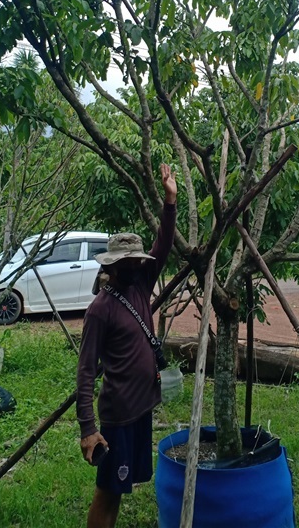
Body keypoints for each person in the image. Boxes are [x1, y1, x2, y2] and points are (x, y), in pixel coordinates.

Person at [77, 163, 177, 528]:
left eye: (138, 260)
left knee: (121, 487)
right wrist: (89, 428)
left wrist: (170, 201)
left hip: (142, 408)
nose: (137, 264)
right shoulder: (100, 310)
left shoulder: (140, 286)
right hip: (117, 416)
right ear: (114, 267)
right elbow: (86, 371)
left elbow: (163, 245)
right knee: (108, 491)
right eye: (129, 261)